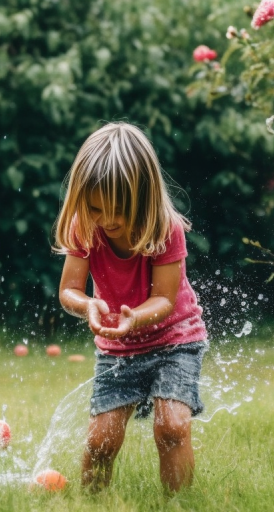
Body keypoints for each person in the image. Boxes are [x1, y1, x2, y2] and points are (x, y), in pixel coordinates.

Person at [53, 122, 208, 493]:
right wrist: (89, 305)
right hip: (118, 348)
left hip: (175, 341)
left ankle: (179, 503)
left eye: (119, 210)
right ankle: (92, 501)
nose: (107, 220)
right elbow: (69, 291)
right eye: (96, 208)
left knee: (171, 427)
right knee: (101, 440)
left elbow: (165, 299)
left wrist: (134, 316)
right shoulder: (84, 226)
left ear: (144, 196)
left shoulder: (164, 227)